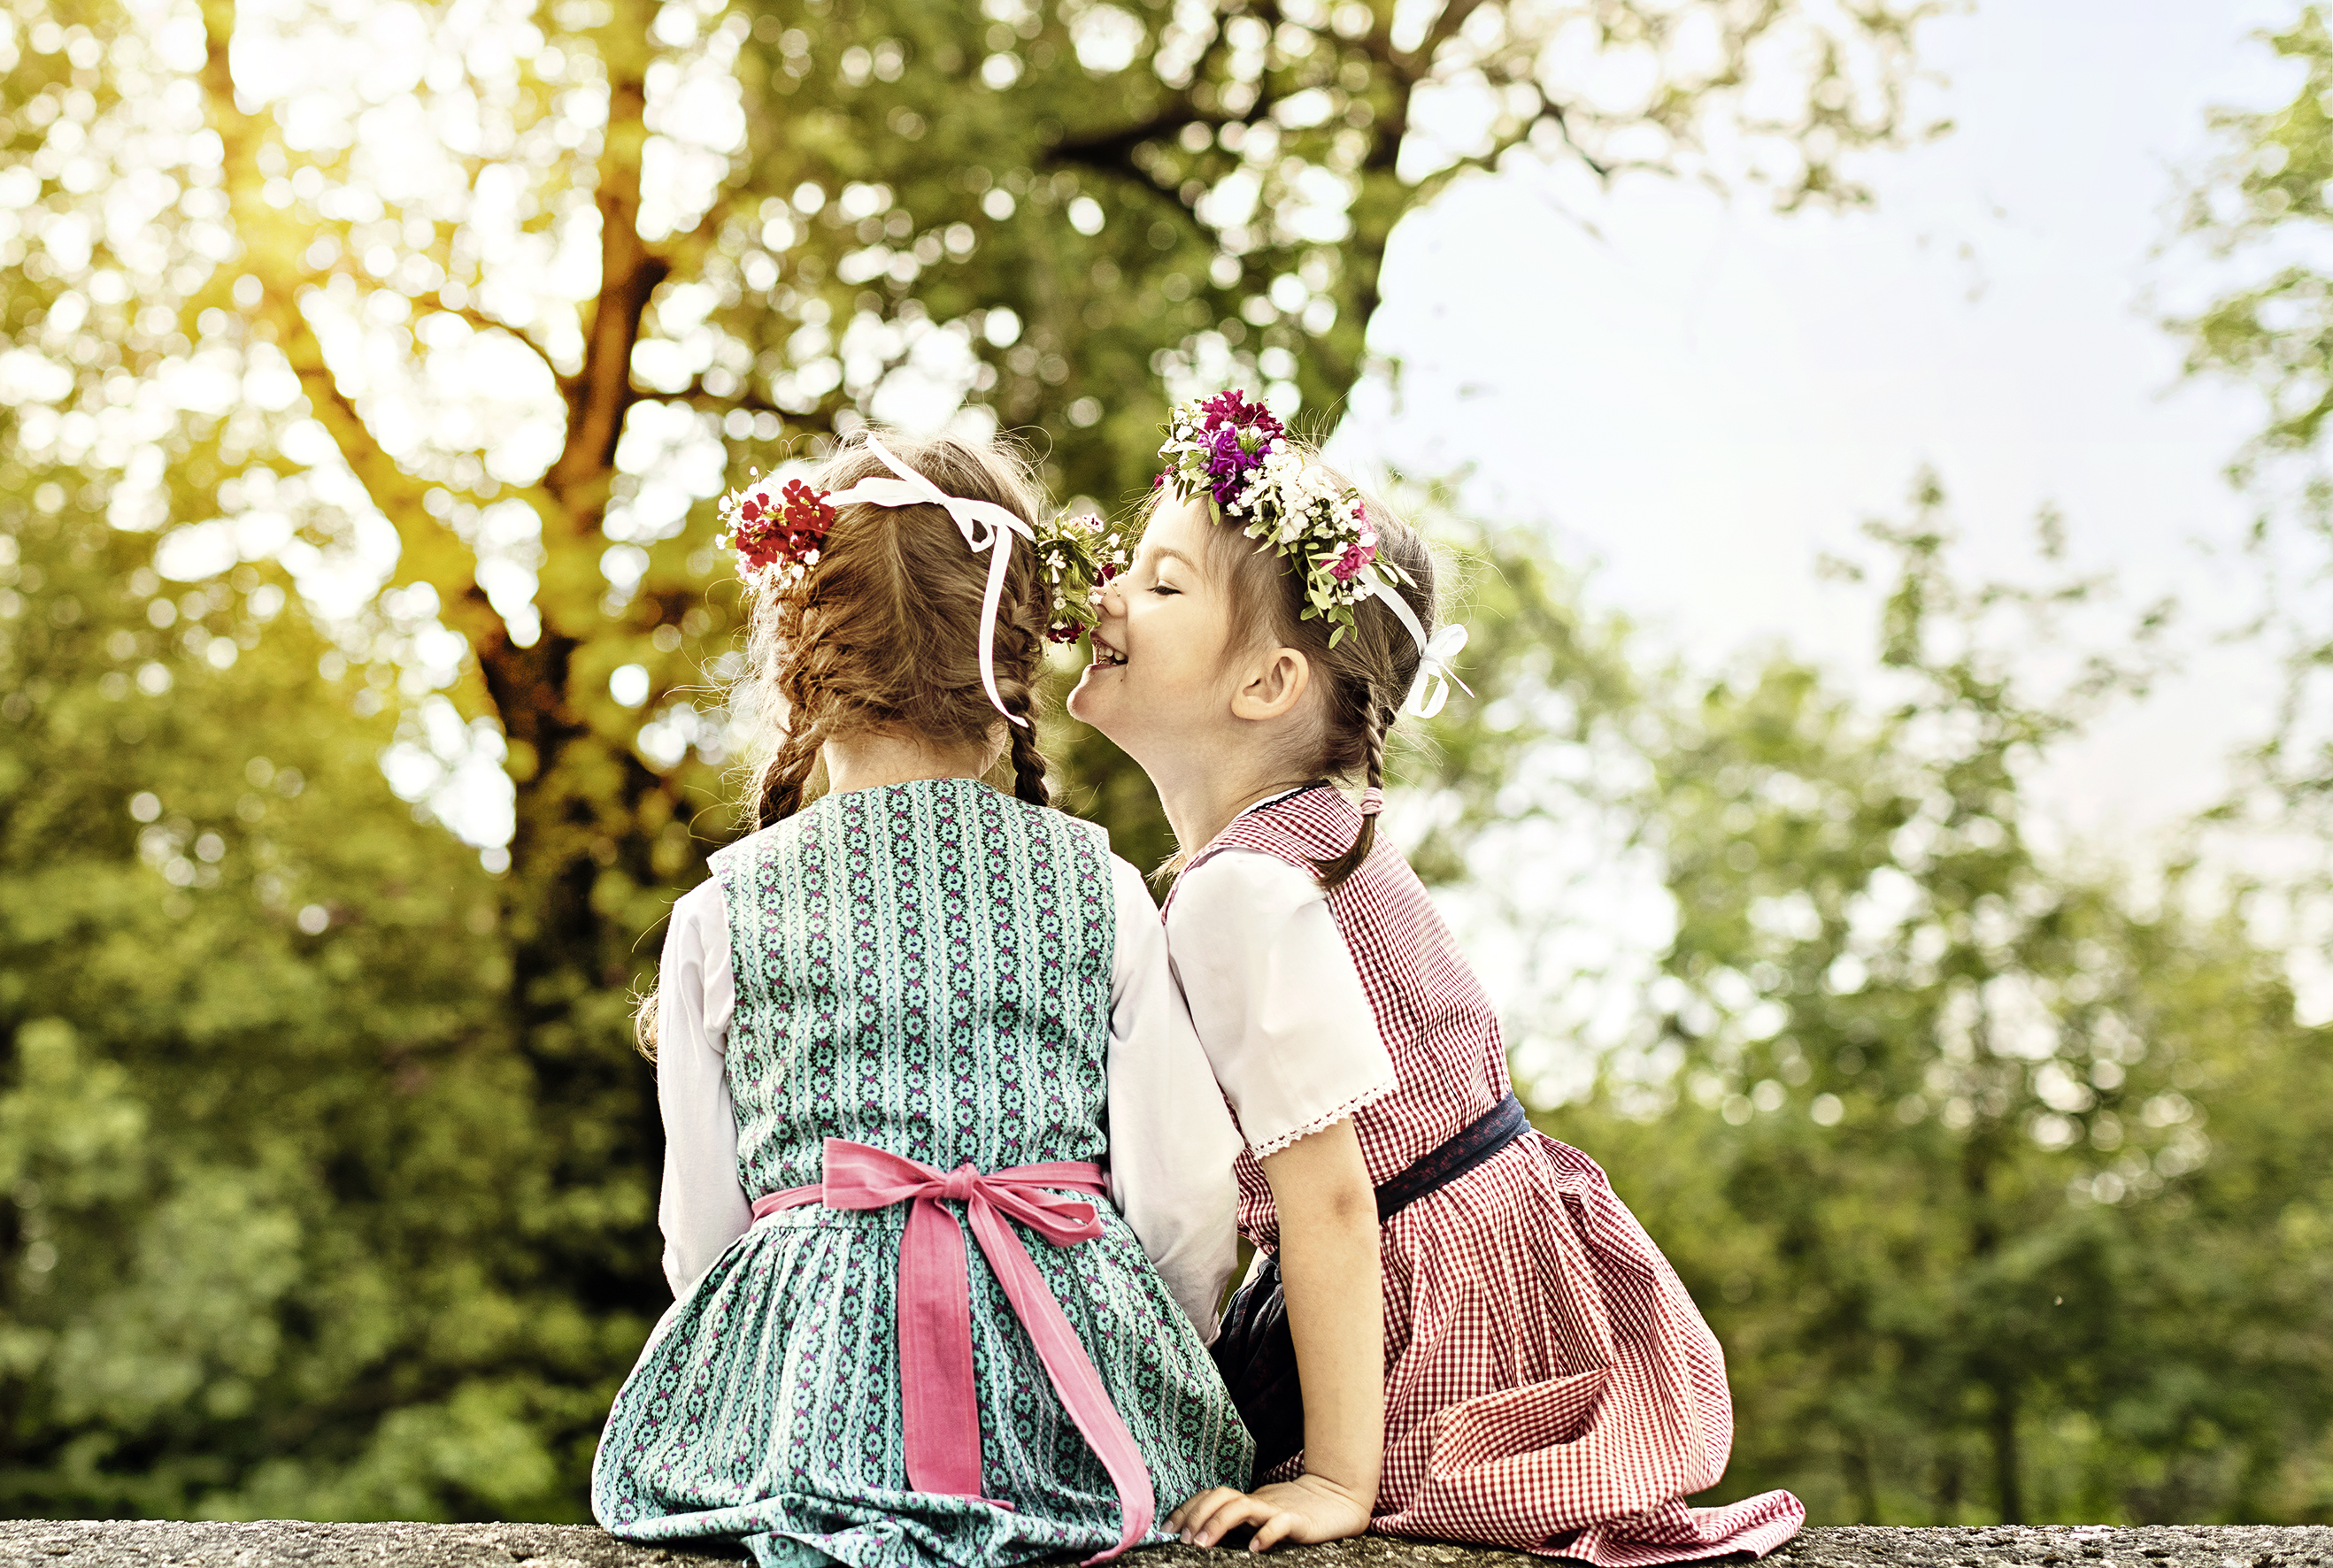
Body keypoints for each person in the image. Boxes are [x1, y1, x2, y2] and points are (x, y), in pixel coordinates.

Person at [1069, 390, 1806, 1564]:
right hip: (1489, 1269)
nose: (1105, 594)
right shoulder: (1309, 837)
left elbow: (1328, 1200)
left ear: (1264, 686)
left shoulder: (1239, 893)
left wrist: (1330, 1479)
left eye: (1160, 584)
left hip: (1419, 1317)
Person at [591, 431, 1251, 1568]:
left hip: (812, 1424)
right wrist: (1155, 1352)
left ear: (797, 649)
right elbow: (1188, 1205)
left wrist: (754, 1364)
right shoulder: (1097, 885)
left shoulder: (722, 910)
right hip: (1074, 1403)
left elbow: (700, 1233)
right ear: (1012, 659)